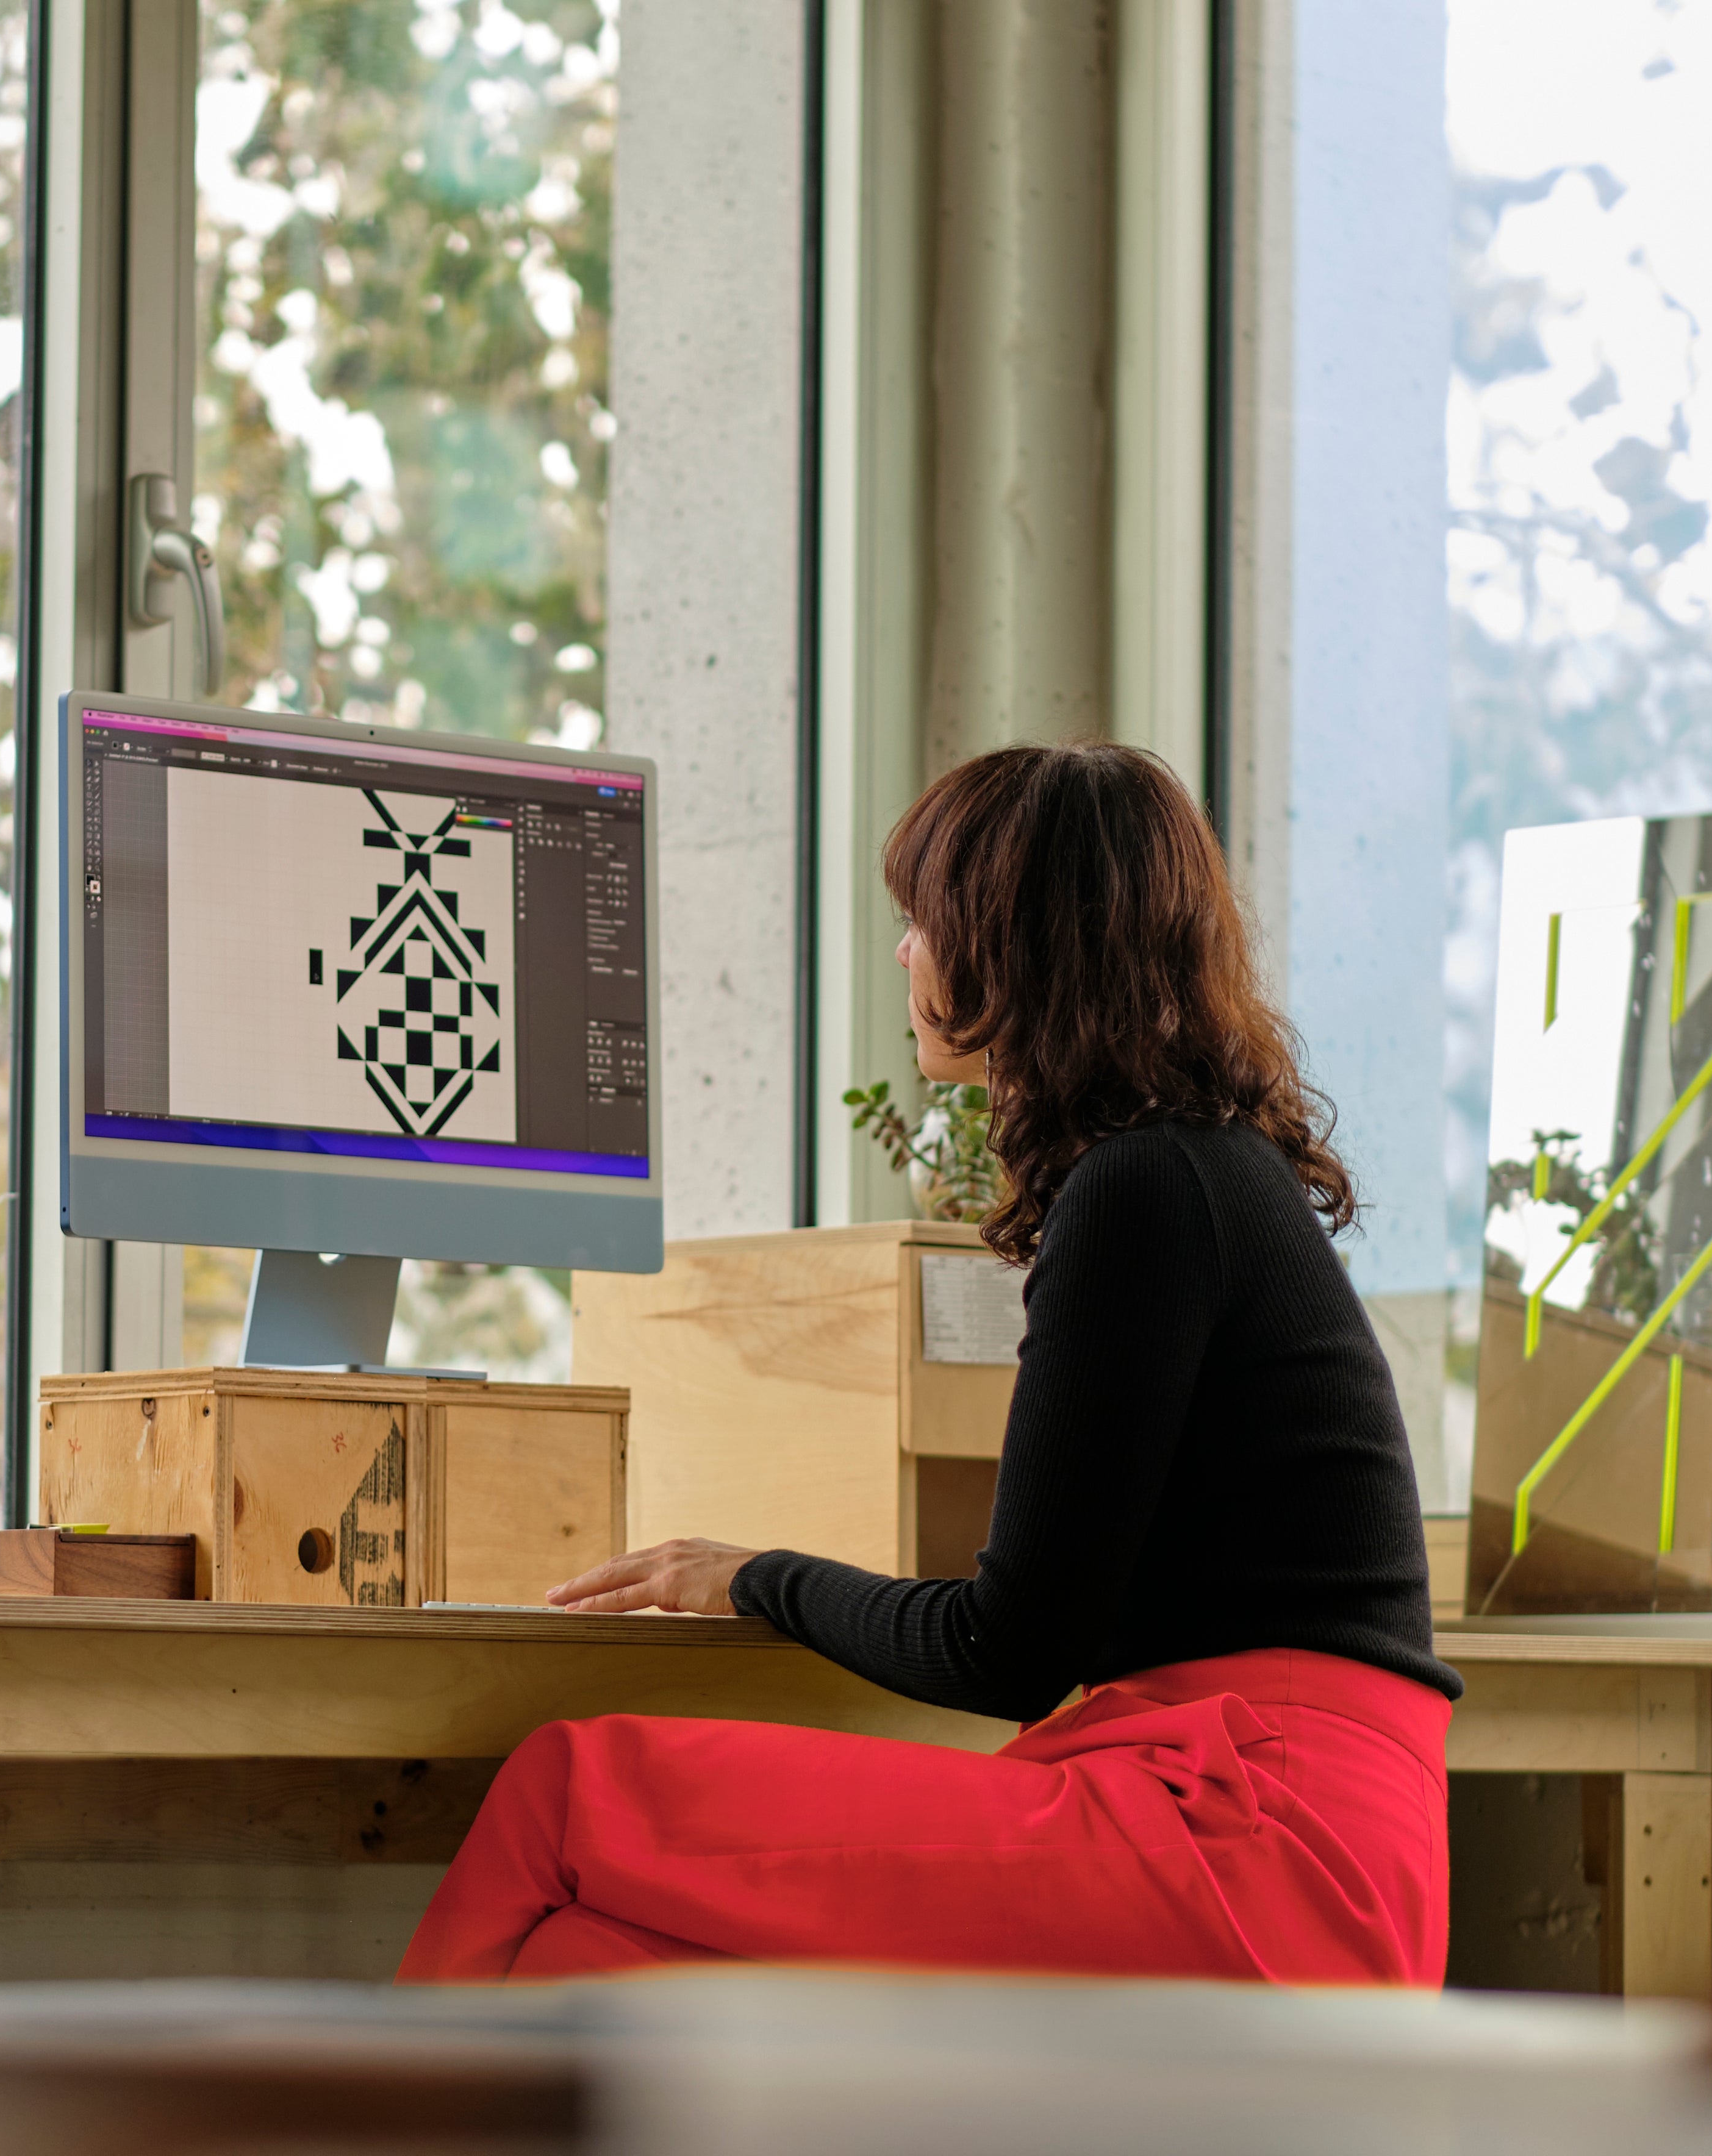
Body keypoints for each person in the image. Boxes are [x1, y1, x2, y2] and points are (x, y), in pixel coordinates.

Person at [396, 741, 1461, 1987]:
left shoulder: (1145, 1189)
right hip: (1303, 1840)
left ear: (1016, 941)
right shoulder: (1206, 1173)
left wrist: (750, 1575)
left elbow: (1003, 1651)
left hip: (1251, 1843)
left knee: (570, 1789)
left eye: (924, 918)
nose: (905, 952)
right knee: (588, 1961)